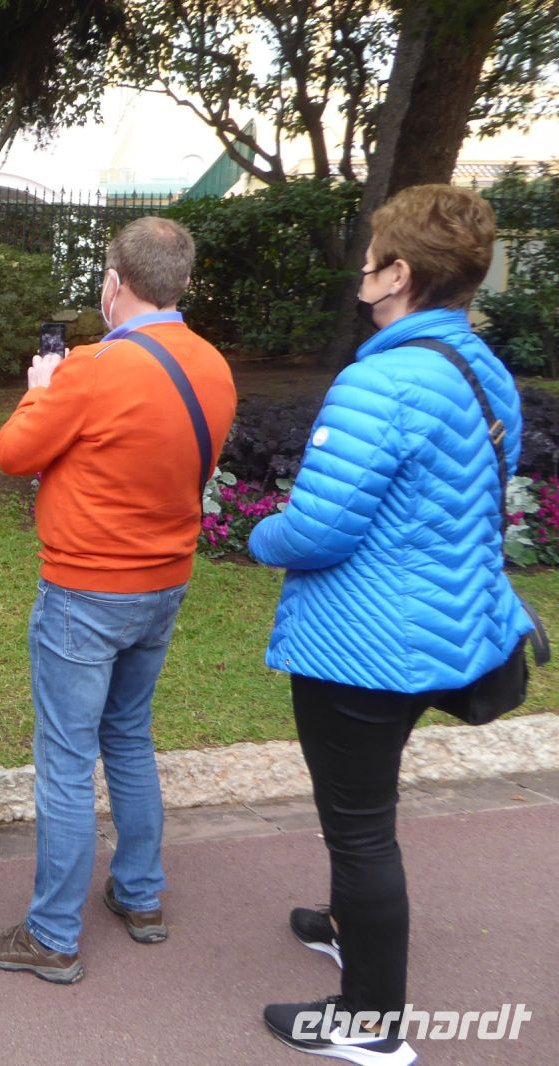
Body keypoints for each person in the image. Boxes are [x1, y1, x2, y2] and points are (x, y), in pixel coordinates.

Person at [249, 185, 528, 1066]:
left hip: (366, 644)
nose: (361, 276)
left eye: (371, 260)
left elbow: (321, 528)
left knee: (360, 826)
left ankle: (371, 1022)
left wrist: (260, 533)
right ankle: (344, 925)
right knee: (367, 804)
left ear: (399, 273)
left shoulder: (384, 378)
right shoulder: (480, 370)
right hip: (448, 627)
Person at [0, 217, 237, 983]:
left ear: (113, 283)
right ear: (180, 283)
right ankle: (141, 894)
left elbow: (13, 453)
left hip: (87, 589)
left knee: (63, 759)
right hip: (164, 583)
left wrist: (38, 390)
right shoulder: (213, 366)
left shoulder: (90, 369)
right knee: (127, 738)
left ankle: (52, 934)